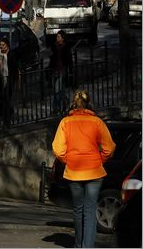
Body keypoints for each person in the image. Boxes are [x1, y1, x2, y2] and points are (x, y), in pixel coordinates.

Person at [52, 90, 116, 248]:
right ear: (89, 104)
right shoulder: (97, 122)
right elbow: (110, 147)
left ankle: (78, 245)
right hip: (94, 171)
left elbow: (57, 148)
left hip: (74, 172)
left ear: (73, 104)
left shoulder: (65, 122)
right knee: (90, 210)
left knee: (78, 210)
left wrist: (68, 160)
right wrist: (100, 159)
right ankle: (87, 246)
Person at [0, 37, 18, 128]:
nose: (1, 47)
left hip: (9, 79)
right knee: (1, 98)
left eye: (3, 45)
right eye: (0, 45)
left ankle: (7, 122)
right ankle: (7, 113)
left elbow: (14, 66)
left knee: (7, 99)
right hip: (1, 79)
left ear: (7, 45)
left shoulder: (11, 54)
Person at [48, 30, 73, 115]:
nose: (57, 38)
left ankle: (56, 108)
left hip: (62, 70)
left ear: (63, 38)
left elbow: (69, 59)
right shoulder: (54, 46)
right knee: (60, 90)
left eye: (58, 36)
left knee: (56, 90)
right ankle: (66, 103)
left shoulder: (66, 47)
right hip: (54, 70)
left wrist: (71, 71)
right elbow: (52, 58)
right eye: (57, 36)